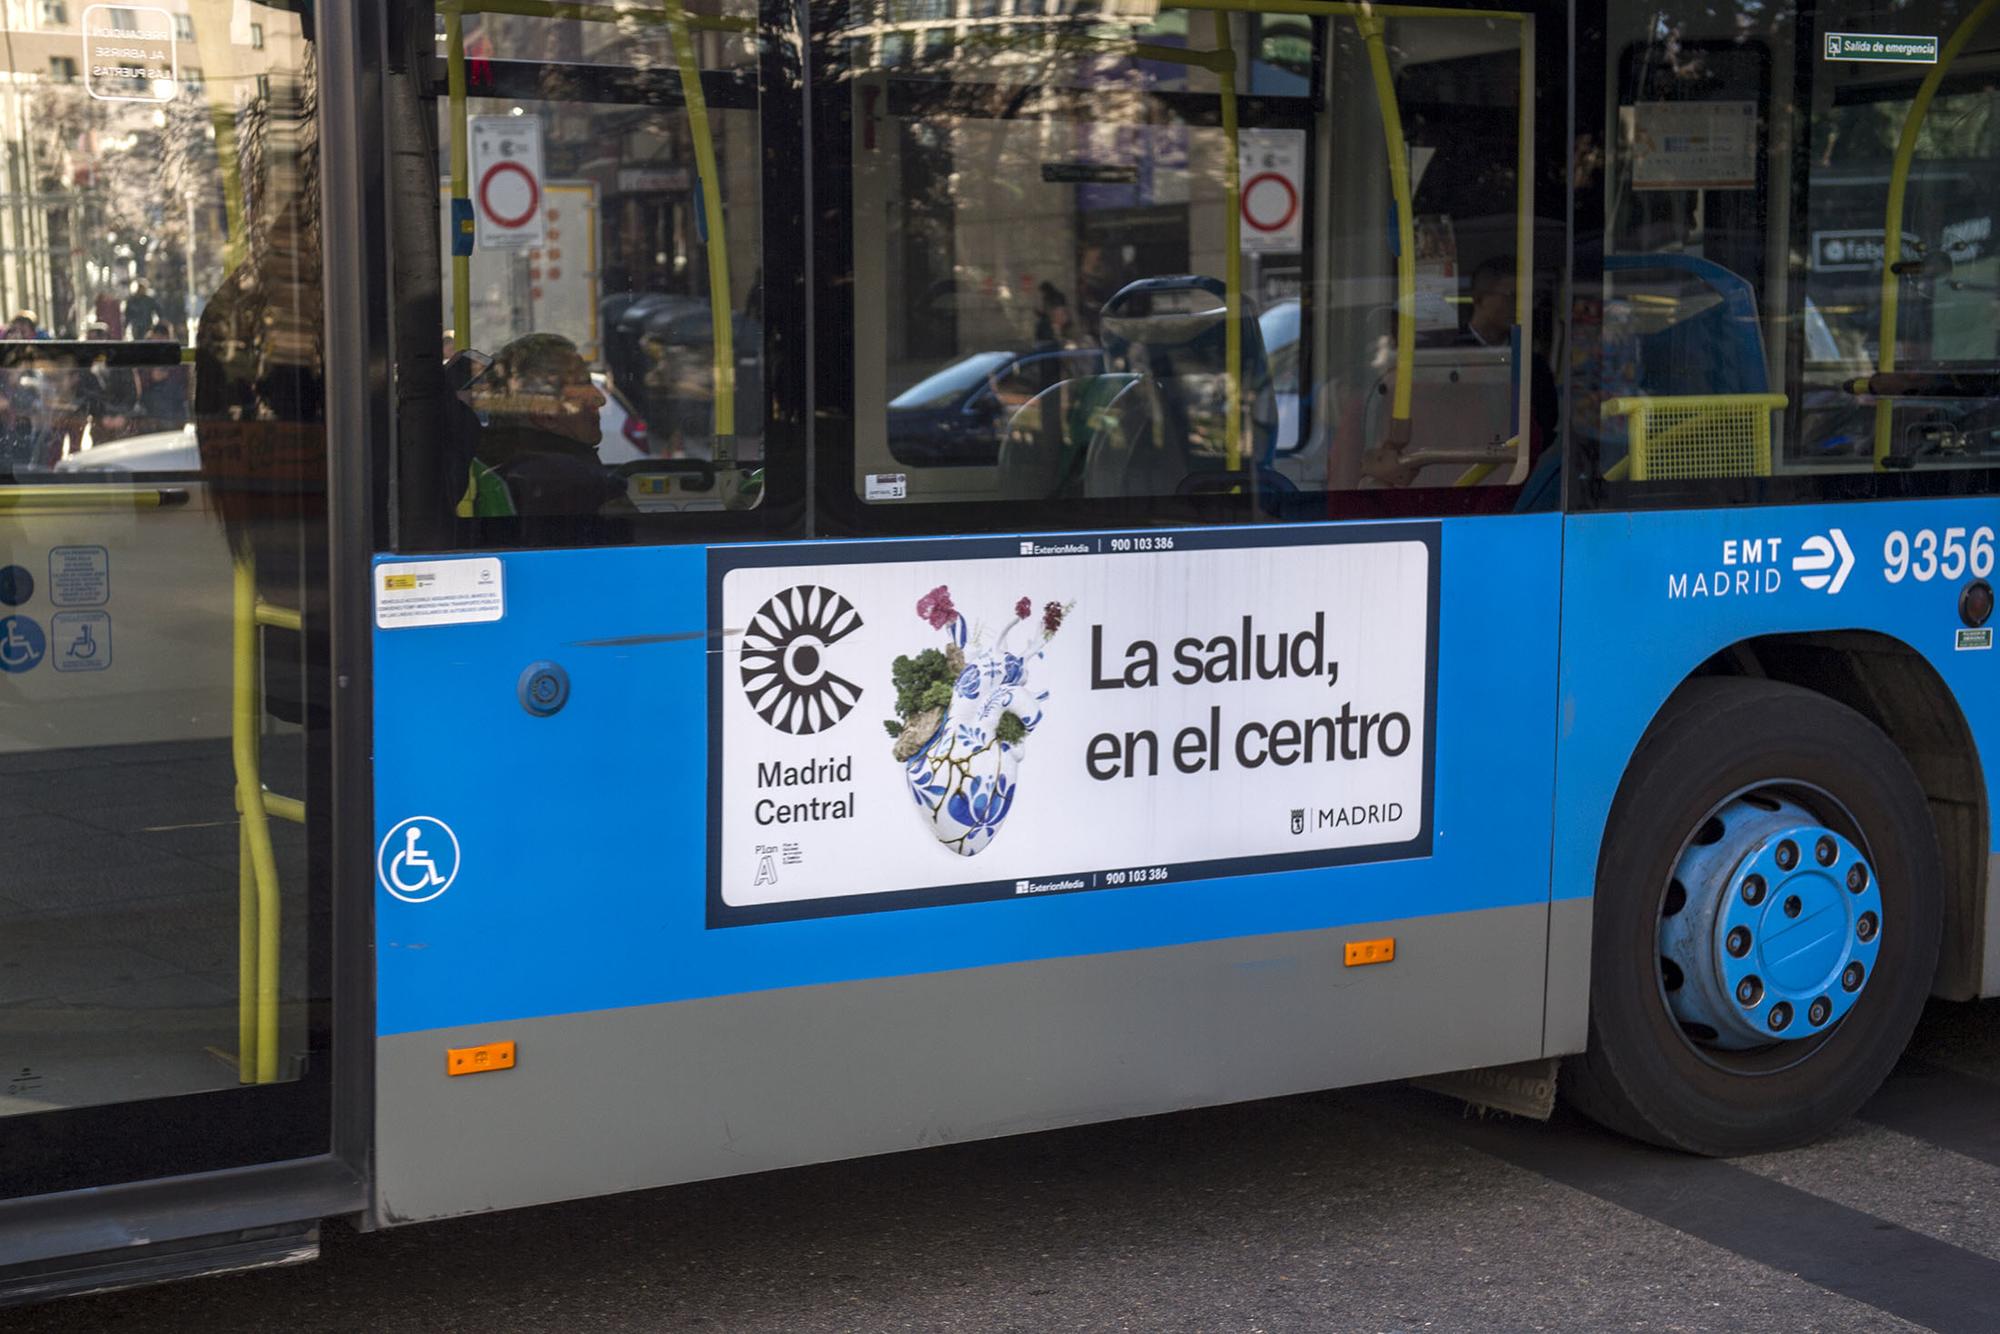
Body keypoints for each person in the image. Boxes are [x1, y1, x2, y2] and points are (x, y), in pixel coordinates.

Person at [457, 332, 626, 517]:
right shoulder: (576, 482)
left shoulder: (492, 464)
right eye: (582, 384)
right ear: (544, 412)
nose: (600, 399)